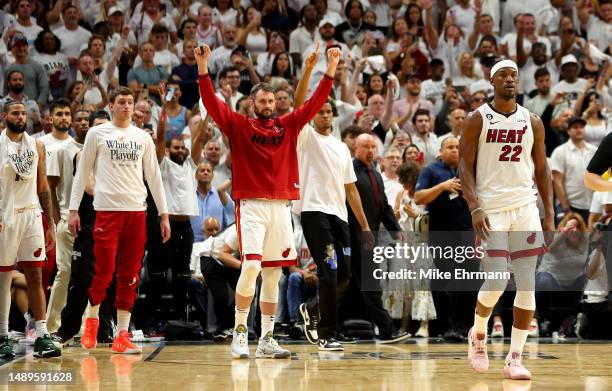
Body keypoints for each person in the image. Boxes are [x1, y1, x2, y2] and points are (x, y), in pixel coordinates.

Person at [195, 43, 340, 359]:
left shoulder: (287, 125)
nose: (267, 104)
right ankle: (240, 333)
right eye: (262, 100)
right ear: (251, 103)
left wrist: (329, 71)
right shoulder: (237, 124)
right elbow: (209, 101)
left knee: (274, 275)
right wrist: (203, 68)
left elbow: (315, 104)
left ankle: (267, 338)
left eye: (271, 100)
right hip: (251, 206)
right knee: (251, 265)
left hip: (283, 207)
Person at [459, 59, 555, 380]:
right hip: (491, 209)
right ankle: (479, 332)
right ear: (493, 81)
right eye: (503, 75)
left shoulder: (533, 121)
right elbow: (464, 167)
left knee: (526, 283)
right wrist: (474, 206)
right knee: (498, 279)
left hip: (525, 206)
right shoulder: (477, 119)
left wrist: (550, 213)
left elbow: (542, 169)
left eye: (514, 75)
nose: (510, 79)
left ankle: (515, 357)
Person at [68, 87, 170, 354]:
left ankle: (122, 334)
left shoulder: (142, 138)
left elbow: (154, 177)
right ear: (111, 105)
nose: (126, 106)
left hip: (137, 212)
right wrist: (73, 210)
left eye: (129, 102)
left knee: (130, 274)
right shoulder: (97, 134)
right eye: (121, 102)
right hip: (107, 210)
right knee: (103, 271)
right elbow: (81, 175)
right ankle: (91, 319)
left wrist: (164, 214)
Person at [292, 50, 374, 350]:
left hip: (340, 216)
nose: (325, 115)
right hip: (314, 212)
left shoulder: (341, 148)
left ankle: (312, 310)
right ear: (313, 115)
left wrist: (364, 226)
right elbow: (299, 103)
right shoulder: (305, 136)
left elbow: (351, 189)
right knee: (328, 271)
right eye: (321, 111)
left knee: (344, 277)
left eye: (328, 111)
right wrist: (312, 68)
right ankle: (327, 333)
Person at [0, 101, 60, 358]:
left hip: (32, 214)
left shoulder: (37, 146)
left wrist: (50, 223)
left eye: (24, 113)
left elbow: (43, 185)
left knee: (36, 275)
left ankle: (42, 333)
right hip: (5, 216)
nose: (21, 117)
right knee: (3, 277)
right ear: (5, 117)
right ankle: (3, 334)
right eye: (16, 113)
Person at [346, 134, 411, 343]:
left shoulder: (375, 174)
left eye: (373, 146)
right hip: (350, 237)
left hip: (368, 239)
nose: (370, 150)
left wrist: (396, 230)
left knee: (366, 285)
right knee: (355, 285)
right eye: (366, 146)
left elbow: (383, 206)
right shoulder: (349, 172)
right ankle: (385, 330)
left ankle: (384, 330)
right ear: (355, 147)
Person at [153, 82, 202, 320]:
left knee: (183, 273)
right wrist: (164, 105)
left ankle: (183, 317)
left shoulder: (191, 164)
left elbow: (200, 137)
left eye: (183, 147)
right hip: (168, 225)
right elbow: (161, 137)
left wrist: (209, 110)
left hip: (186, 226)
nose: (181, 150)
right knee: (163, 273)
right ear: (170, 150)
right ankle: (161, 317)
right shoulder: (163, 163)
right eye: (177, 147)